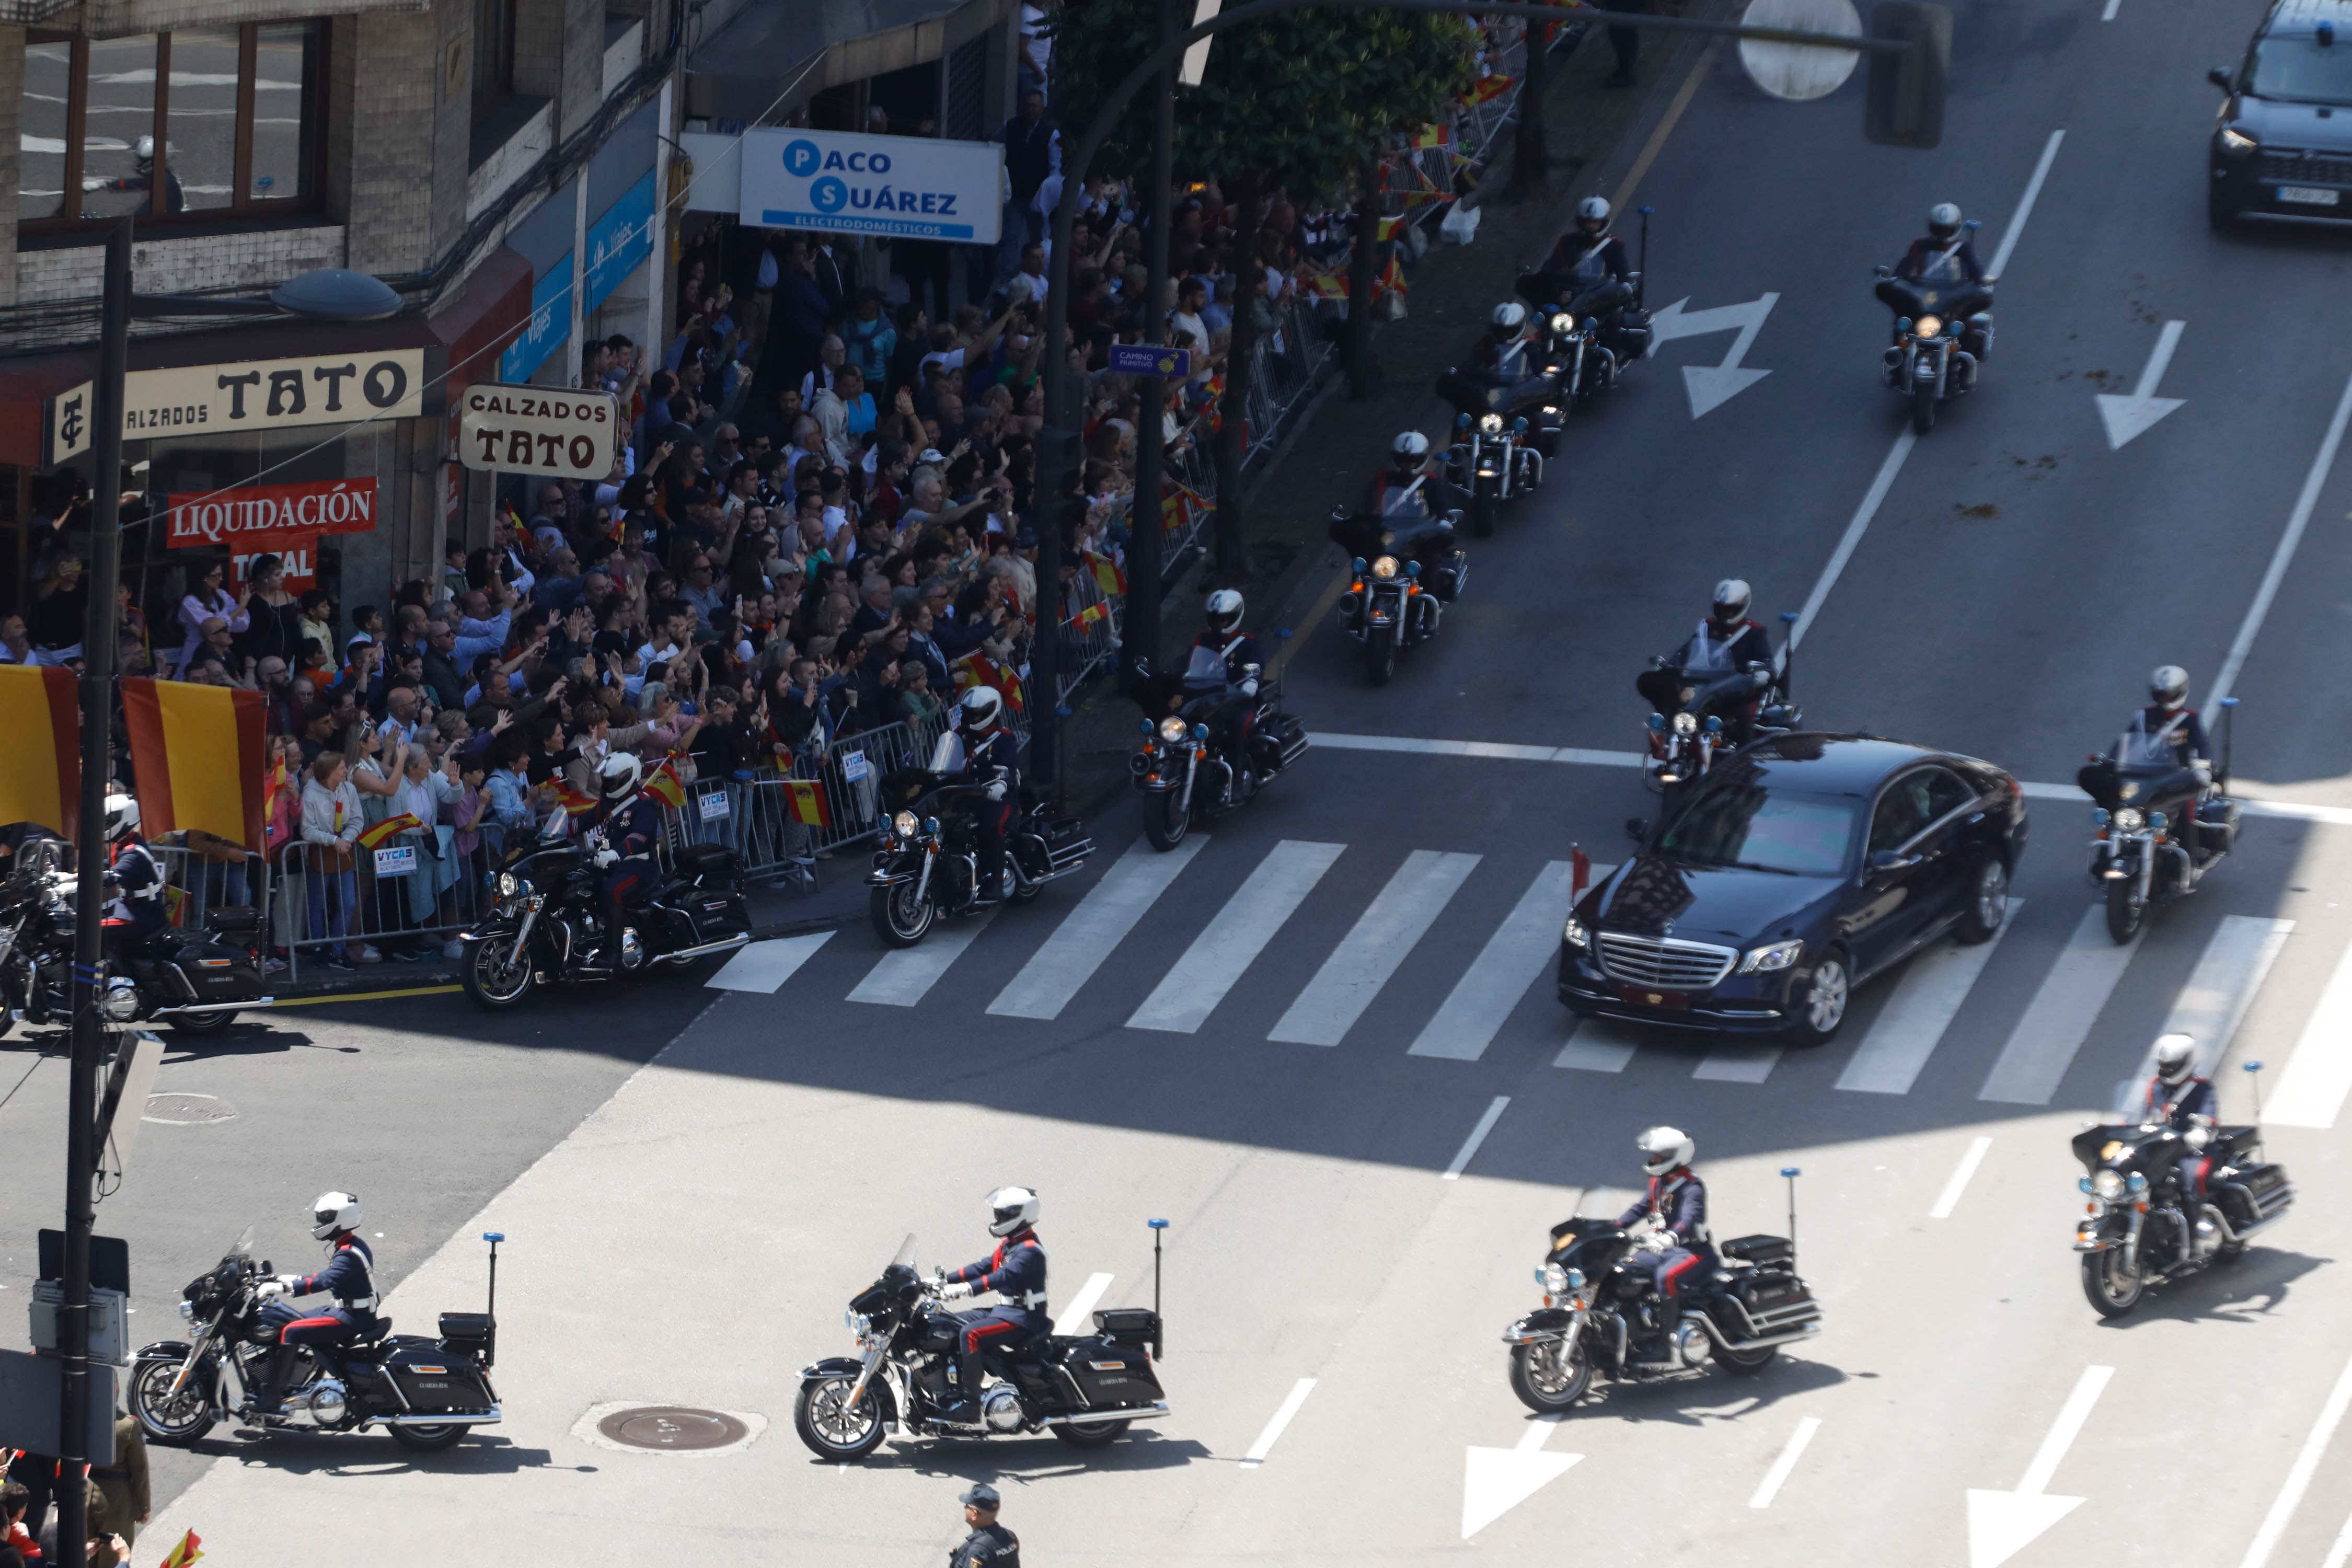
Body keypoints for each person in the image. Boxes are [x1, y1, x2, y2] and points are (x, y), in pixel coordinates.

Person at [246, 1192, 377, 1418]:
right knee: (289, 1319)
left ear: (341, 1220)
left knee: (291, 1330)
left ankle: (273, 1396)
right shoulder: (351, 1244)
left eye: (326, 1219)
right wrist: (279, 1279)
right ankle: (295, 1382)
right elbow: (324, 1276)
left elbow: (325, 1281)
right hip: (347, 1311)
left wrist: (284, 1289)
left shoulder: (348, 1254)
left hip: (351, 1317)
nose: (321, 1224)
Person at [933, 1186, 1048, 1426]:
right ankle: (951, 1386)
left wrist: (966, 1289)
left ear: (1021, 1215)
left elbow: (1002, 1277)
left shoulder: (1030, 1252)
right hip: (1007, 1312)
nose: (999, 1220)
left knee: (971, 1334)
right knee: (950, 1323)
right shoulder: (1012, 1243)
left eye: (1004, 1216)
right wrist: (944, 1281)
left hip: (1024, 1318)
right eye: (999, 1215)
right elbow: (984, 1266)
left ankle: (970, 1404)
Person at [2077, 664, 2213, 860]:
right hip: (2144, 774)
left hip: (2175, 777)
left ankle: (2189, 857)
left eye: (2170, 694)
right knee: (2116, 812)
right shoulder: (2143, 716)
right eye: (2161, 694)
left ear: (2181, 692)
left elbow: (2203, 745)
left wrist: (2204, 762)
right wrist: (2112, 760)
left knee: (2186, 811)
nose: (2165, 699)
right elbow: (2125, 741)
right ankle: (2105, 859)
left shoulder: (2190, 720)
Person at [1617, 1126, 1710, 1363]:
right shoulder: (1659, 1181)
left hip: (1692, 1251)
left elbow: (1689, 1219)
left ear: (1675, 1157)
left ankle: (1665, 1344)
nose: (1654, 1159)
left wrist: (1670, 1237)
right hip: (1662, 1248)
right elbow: (1641, 1208)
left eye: (1659, 1156)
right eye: (1654, 1155)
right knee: (1623, 1271)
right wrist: (1613, 1228)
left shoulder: (1692, 1187)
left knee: (1665, 1277)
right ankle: (1632, 1331)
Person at [1634, 578, 1771, 710]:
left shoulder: (1755, 632)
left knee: (1743, 714)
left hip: (1734, 690)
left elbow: (1767, 662)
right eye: (1721, 609)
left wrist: (1763, 673)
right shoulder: (1707, 627)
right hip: (1702, 682)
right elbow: (1686, 652)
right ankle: (1665, 722)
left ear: (1742, 607)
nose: (1725, 614)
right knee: (1648, 681)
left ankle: (1742, 733)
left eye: (1729, 610)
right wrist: (1671, 666)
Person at [584, 752, 664, 971]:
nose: (609, 785)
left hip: (640, 866)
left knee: (613, 890)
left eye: (614, 781)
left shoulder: (644, 804)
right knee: (579, 880)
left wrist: (616, 853)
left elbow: (639, 836)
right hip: (615, 863)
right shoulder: (610, 802)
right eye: (608, 781)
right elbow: (583, 821)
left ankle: (614, 953)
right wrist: (547, 835)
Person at [1880, 202, 1993, 356]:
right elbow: (1904, 267)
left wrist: (1980, 283)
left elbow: (1975, 271)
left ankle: (1964, 359)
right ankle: (1898, 358)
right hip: (1922, 295)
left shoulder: (1963, 249)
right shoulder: (1920, 246)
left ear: (1955, 228)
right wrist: (1896, 280)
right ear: (1932, 228)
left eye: (1947, 230)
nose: (1943, 234)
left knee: (1967, 326)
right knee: (1902, 323)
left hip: (1952, 297)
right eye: (1939, 229)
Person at [1186, 590, 1266, 793]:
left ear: (1235, 616)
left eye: (1223, 619)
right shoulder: (1203, 639)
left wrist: (1251, 683)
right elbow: (1186, 663)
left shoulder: (1249, 643)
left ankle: (1238, 779)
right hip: (1206, 699)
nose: (1218, 623)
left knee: (1238, 726)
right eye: (1215, 619)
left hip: (1237, 701)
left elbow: (1255, 667)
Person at [955, 687, 1019, 904]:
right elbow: (947, 759)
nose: (972, 718)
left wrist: (1001, 784)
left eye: (976, 714)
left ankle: (996, 881)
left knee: (993, 826)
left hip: (998, 797)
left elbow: (1010, 767)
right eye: (969, 713)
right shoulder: (961, 735)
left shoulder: (1004, 739)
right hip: (966, 795)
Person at [2140, 1033, 2219, 1204]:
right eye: (2165, 1065)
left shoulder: (2202, 1089)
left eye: (2172, 1066)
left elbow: (2209, 1119)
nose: (2168, 1070)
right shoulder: (2154, 1086)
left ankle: (2195, 1223)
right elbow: (2144, 1117)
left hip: (2191, 1151)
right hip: (2159, 1148)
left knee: (2192, 1176)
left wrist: (2199, 1132)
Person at [98, 793, 167, 963]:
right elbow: (104, 867)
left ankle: (109, 981)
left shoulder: (134, 852)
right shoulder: (124, 844)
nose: (105, 826)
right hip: (129, 906)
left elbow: (112, 877)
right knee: (73, 921)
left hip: (143, 915)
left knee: (87, 931)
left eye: (109, 822)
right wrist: (67, 878)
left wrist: (73, 887)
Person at [1535, 198, 1631, 304]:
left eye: (1596, 222)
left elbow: (1623, 274)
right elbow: (1551, 268)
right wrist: (1558, 293)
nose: (1591, 226)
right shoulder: (1567, 241)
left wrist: (1622, 287)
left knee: (1615, 318)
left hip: (1602, 297)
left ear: (1603, 222)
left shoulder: (1613, 244)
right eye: (1587, 222)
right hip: (1571, 294)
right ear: (1580, 222)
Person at [949, 1482, 1021, 1568]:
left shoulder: (978, 1550)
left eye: (967, 1505)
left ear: (974, 1514)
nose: (965, 1508)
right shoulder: (1010, 1536)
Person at [1373, 431, 1440, 518]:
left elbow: (1441, 509)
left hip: (1419, 529)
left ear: (1421, 460)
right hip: (1385, 527)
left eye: (1412, 460)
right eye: (1402, 459)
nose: (1406, 464)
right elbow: (1367, 505)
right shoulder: (1383, 479)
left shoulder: (1431, 482)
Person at [1470, 301, 1538, 378]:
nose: (1504, 336)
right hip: (1487, 385)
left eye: (1509, 332)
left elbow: (1540, 374)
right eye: (1500, 331)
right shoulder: (1486, 343)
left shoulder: (1528, 348)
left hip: (1518, 388)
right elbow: (1470, 365)